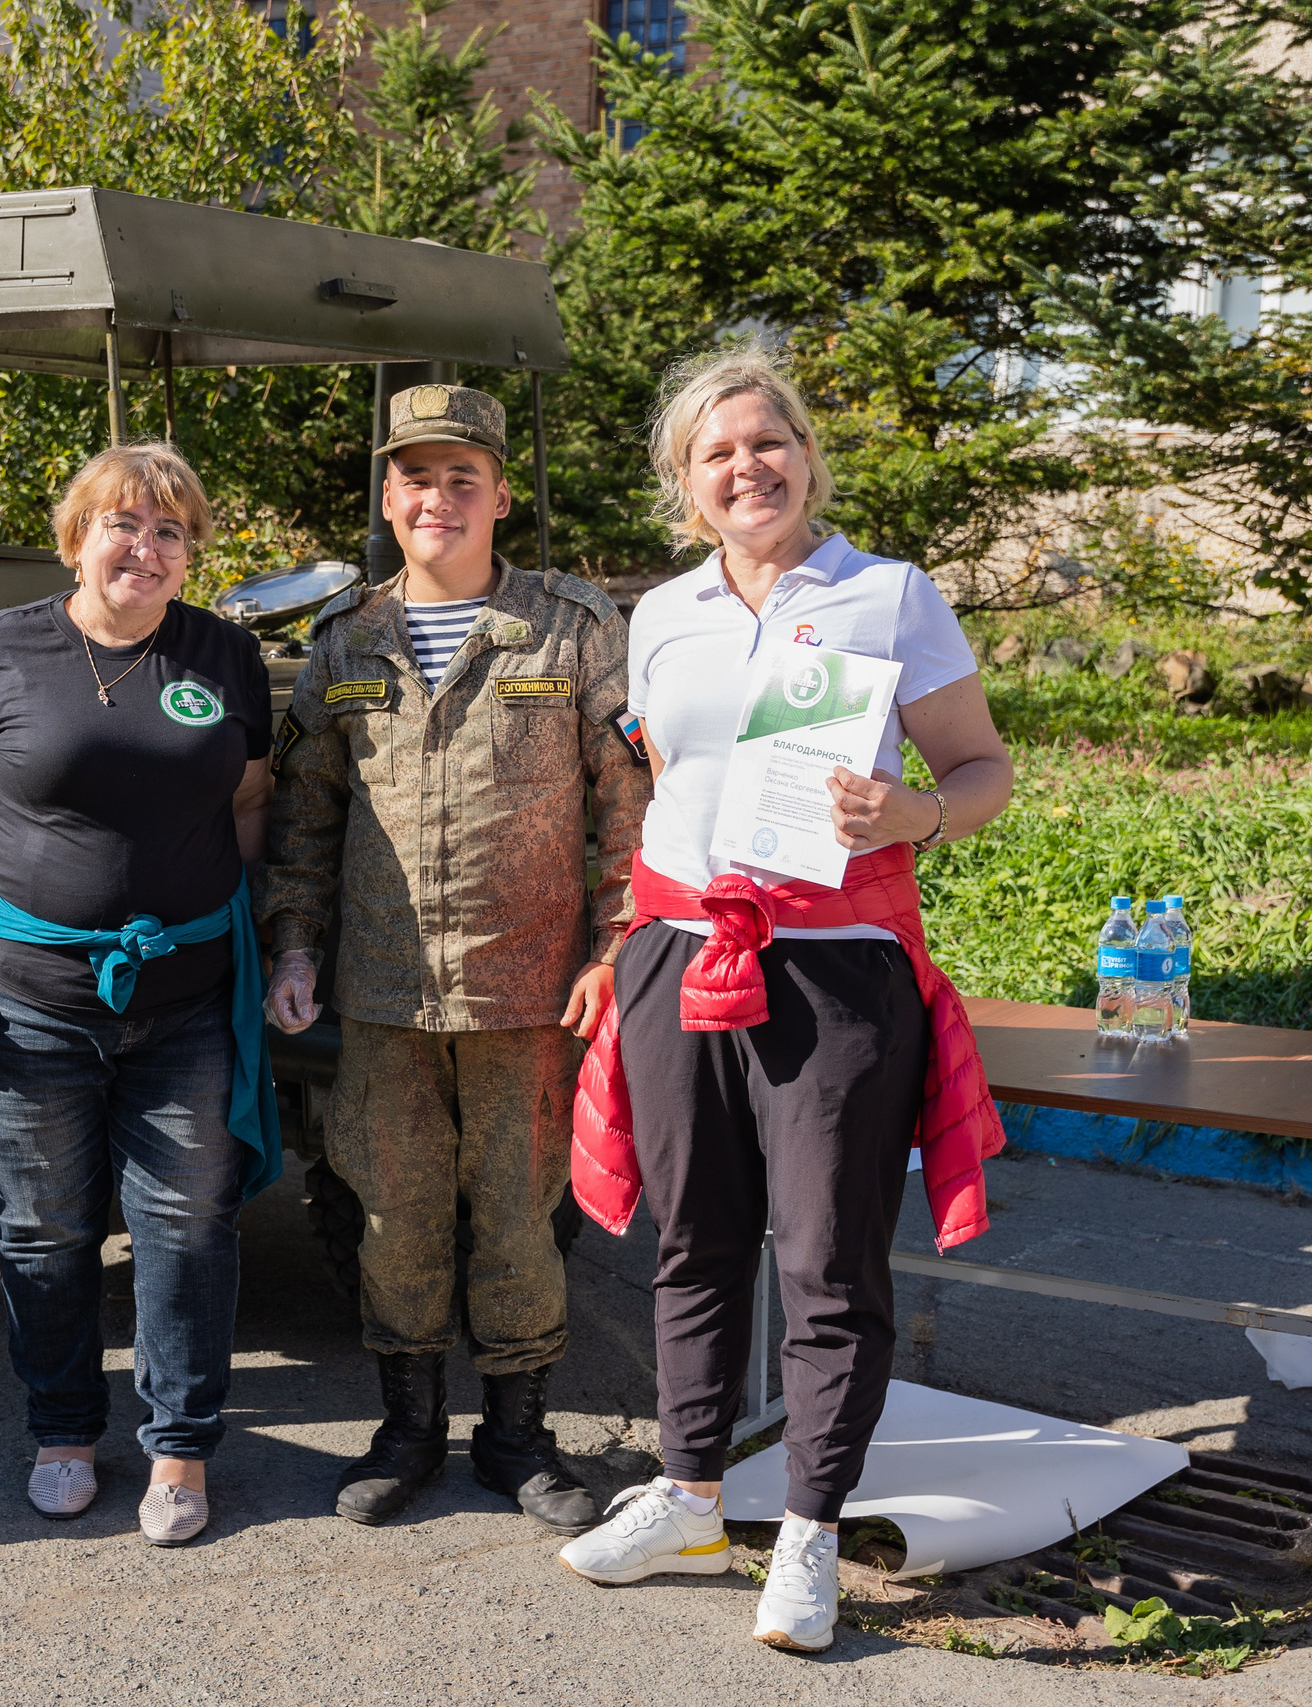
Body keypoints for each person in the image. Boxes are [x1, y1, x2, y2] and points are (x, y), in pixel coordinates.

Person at [555, 349, 1015, 1653]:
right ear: (685, 485)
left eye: (769, 443)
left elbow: (984, 768)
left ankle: (810, 1528)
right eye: (717, 453)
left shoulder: (888, 594)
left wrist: (915, 808)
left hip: (837, 957)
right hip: (682, 951)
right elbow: (662, 780)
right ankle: (691, 1490)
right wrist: (632, 930)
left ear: (808, 456)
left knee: (824, 1255)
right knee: (694, 1239)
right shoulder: (663, 614)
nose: (746, 467)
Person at [265, 384, 651, 1537]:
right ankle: (407, 1429)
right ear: (388, 496)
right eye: (416, 477)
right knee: (391, 1216)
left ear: (498, 495)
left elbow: (630, 804)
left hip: (528, 991)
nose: (438, 497)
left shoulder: (573, 628)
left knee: (521, 1219)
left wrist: (617, 944)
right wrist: (292, 945)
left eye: (461, 477)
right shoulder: (344, 640)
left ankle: (519, 1438)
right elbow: (304, 820)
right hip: (383, 996)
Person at [0, 441, 277, 1549]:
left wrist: (249, 929)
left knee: (188, 1226)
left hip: (188, 1000)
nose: (144, 548)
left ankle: (179, 1449)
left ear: (189, 553)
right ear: (76, 538)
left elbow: (252, 800)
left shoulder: (226, 656)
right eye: (123, 524)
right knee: (47, 1231)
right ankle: (63, 1433)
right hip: (25, 1005)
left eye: (169, 532)